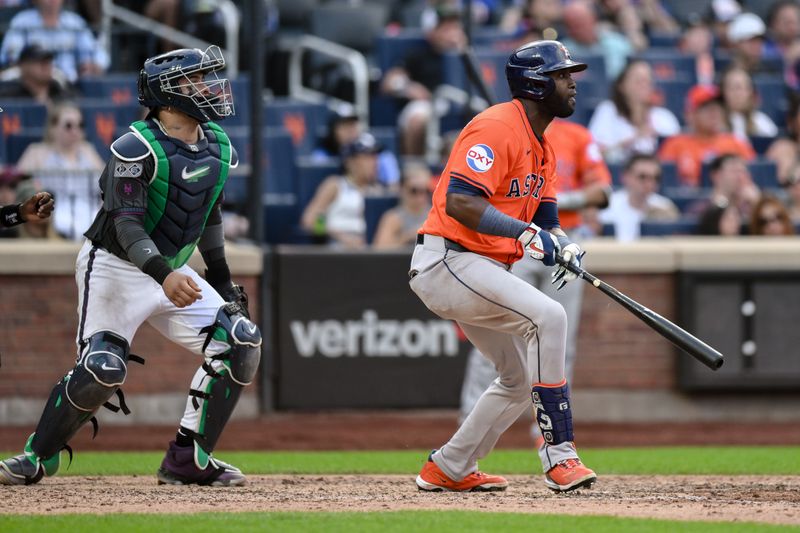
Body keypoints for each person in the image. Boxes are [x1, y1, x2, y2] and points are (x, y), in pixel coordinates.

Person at [0, 45, 261, 488]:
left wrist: (223, 283)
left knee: (240, 340)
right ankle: (36, 457)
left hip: (173, 271)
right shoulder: (134, 147)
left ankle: (187, 458)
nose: (208, 88)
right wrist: (165, 275)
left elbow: (208, 218)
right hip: (116, 268)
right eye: (194, 81)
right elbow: (126, 224)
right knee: (103, 368)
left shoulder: (217, 143)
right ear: (166, 95)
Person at [409, 40, 596, 494]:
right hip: (448, 258)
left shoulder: (544, 147)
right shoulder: (496, 126)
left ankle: (449, 466)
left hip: (480, 267)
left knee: (515, 380)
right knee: (549, 316)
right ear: (535, 84)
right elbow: (459, 202)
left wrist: (564, 245)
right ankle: (559, 456)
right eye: (561, 74)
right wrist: (526, 235)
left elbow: (548, 220)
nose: (571, 82)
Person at [458, 117, 612, 441]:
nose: (567, 86)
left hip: (561, 241)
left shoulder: (576, 135)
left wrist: (555, 200)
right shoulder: (508, 131)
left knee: (559, 336)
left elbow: (602, 192)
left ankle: (548, 427)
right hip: (518, 241)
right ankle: (470, 417)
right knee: (496, 333)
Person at [380, 4, 467, 156]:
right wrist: (407, 87)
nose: (453, 34)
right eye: (446, 29)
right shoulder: (418, 55)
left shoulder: (467, 57)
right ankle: (414, 166)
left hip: (461, 104)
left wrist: (463, 51)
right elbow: (389, 82)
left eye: (455, 28)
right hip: (429, 104)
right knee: (418, 118)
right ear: (431, 32)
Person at [16, 101, 105, 240]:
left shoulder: (88, 150)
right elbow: (18, 181)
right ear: (53, 128)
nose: (75, 131)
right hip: (53, 211)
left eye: (80, 125)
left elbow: (105, 183)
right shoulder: (38, 151)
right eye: (68, 126)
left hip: (89, 209)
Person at [658, 84, 756, 187]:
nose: (714, 113)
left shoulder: (736, 143)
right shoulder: (674, 145)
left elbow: (752, 178)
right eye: (707, 108)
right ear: (691, 114)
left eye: (718, 107)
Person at [588, 59, 681, 165]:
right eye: (638, 80)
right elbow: (594, 154)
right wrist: (632, 140)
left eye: (647, 81)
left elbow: (675, 159)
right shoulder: (608, 111)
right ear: (621, 85)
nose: (643, 85)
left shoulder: (665, 117)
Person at [301, 132, 383, 249]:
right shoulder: (335, 185)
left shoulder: (379, 192)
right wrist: (340, 236)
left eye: (375, 157)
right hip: (336, 249)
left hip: (368, 252)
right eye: (367, 157)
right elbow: (310, 220)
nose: (374, 162)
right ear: (350, 161)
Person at [0, 0, 110, 83]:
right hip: (30, 87)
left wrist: (95, 65)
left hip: (68, 85)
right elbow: (10, 56)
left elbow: (98, 54)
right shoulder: (22, 21)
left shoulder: (74, 22)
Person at [311, 108, 401, 190]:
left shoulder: (383, 156)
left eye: (353, 125)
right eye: (345, 126)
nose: (350, 130)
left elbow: (393, 188)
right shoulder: (322, 157)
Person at [598, 154, 680, 241]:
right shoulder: (607, 206)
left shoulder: (666, 206)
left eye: (656, 178)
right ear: (625, 177)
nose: (649, 184)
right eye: (642, 177)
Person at [561, 0, 633, 80]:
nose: (576, 30)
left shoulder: (618, 44)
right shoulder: (563, 51)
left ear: (594, 20)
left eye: (579, 25)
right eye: (570, 26)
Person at [372, 162, 433, 249]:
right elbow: (379, 249)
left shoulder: (435, 216)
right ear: (402, 189)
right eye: (414, 191)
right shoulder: (393, 218)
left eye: (426, 191)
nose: (420, 197)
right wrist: (408, 237)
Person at [718, 65, 779, 139]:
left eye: (741, 88)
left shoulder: (761, 122)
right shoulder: (715, 124)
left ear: (751, 92)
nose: (737, 93)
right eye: (732, 88)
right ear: (722, 92)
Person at [0, 44, 73, 104]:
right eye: (39, 61)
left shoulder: (60, 92)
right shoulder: (9, 97)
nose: (46, 65)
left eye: (49, 61)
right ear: (23, 65)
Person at [0, 168, 54, 234]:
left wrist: (21, 212)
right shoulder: (8, 237)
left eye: (45, 202)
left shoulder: (63, 238)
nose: (41, 206)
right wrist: (21, 213)